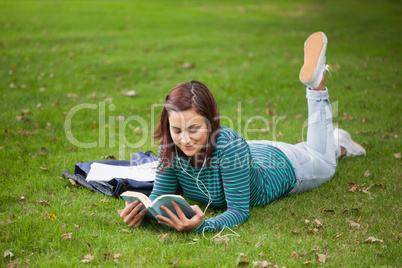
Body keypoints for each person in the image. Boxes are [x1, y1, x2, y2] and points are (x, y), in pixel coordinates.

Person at [120, 32, 366, 232]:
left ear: (211, 122)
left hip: (287, 165)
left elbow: (239, 212)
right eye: (176, 129)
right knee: (303, 149)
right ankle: (334, 140)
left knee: (323, 162)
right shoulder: (171, 146)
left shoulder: (230, 148)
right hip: (252, 152)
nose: (183, 139)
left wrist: (203, 226)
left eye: (193, 129)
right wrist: (142, 214)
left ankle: (317, 90)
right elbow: (160, 197)